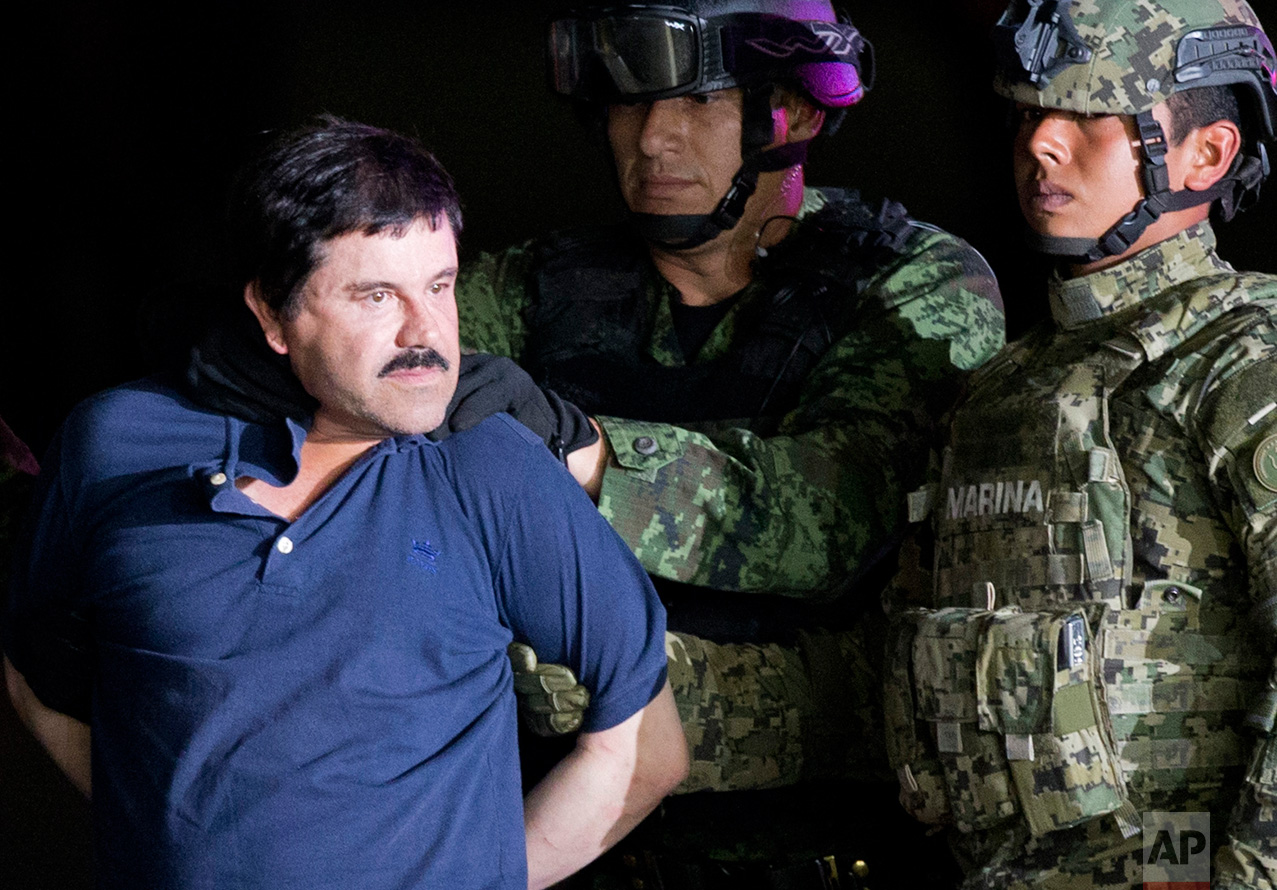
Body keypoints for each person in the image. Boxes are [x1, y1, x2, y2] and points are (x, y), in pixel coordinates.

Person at [3, 117, 688, 890]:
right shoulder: (114, 444)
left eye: (439, 285)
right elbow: (36, 682)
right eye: (375, 295)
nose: (426, 331)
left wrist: (482, 874)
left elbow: (645, 751)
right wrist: (159, 829)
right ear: (271, 312)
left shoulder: (489, 466)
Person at [451, 0, 1005, 884]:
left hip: (813, 837)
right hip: (574, 831)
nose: (655, 139)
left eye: (701, 104)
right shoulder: (537, 285)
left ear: (803, 112)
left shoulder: (912, 283)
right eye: (631, 105)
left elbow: (837, 516)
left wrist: (587, 454)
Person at [881, 0, 1277, 887]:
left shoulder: (1243, 356)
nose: (1040, 144)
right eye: (1028, 113)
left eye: (1090, 114)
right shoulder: (995, 394)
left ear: (1203, 154)